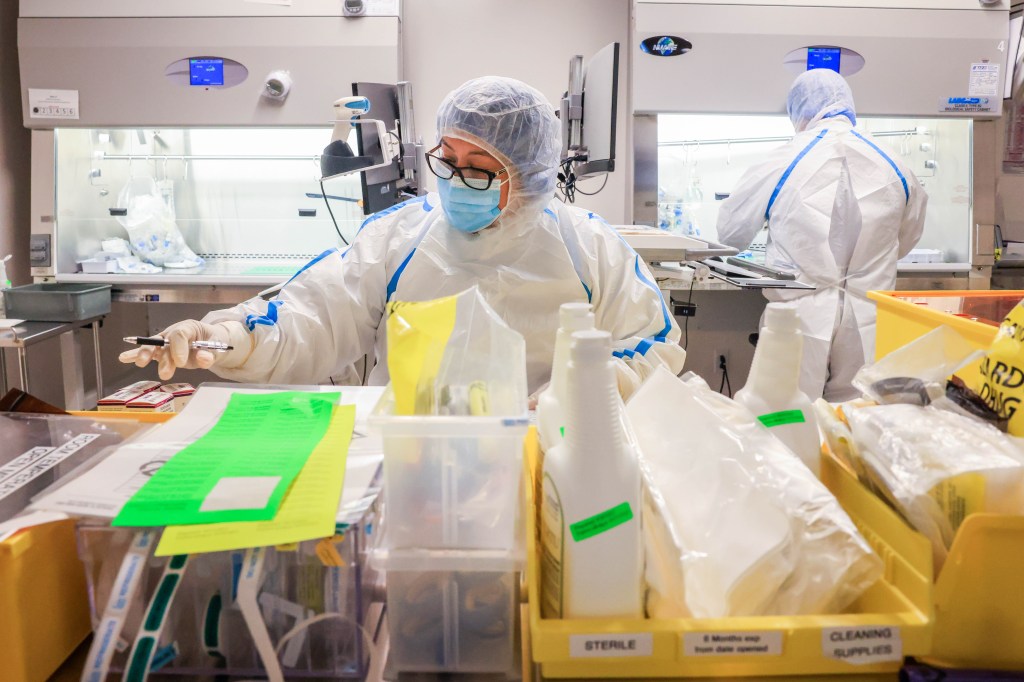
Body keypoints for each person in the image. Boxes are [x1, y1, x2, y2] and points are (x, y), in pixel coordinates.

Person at [120, 76, 685, 396]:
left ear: (531, 176)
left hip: (547, 455)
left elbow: (651, 347)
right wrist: (223, 335)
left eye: (478, 169)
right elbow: (313, 315)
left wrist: (570, 403)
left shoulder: (588, 248)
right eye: (447, 159)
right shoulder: (401, 237)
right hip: (412, 459)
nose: (455, 181)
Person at [717, 69, 927, 401]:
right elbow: (908, 238)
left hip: (799, 315)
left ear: (799, 112)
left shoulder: (784, 159)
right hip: (868, 315)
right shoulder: (896, 165)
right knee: (857, 414)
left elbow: (730, 234)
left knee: (785, 412)